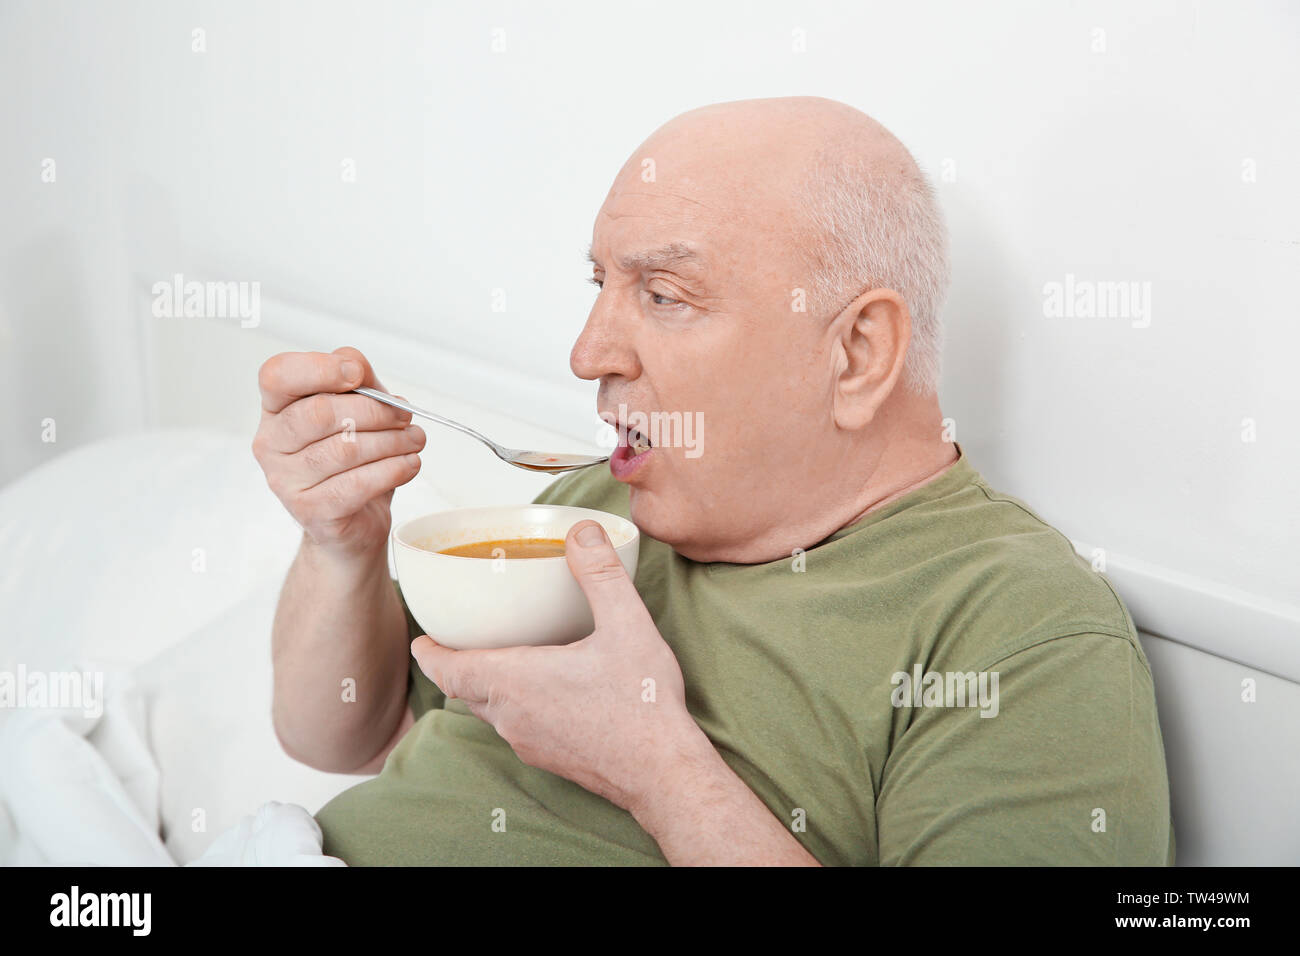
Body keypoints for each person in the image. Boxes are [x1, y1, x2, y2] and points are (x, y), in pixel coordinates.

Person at [251, 96, 1174, 865]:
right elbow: (346, 737)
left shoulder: (1022, 626)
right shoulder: (598, 510)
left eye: (664, 296)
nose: (587, 355)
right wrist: (342, 545)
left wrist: (656, 769)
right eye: (600, 287)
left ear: (857, 352)